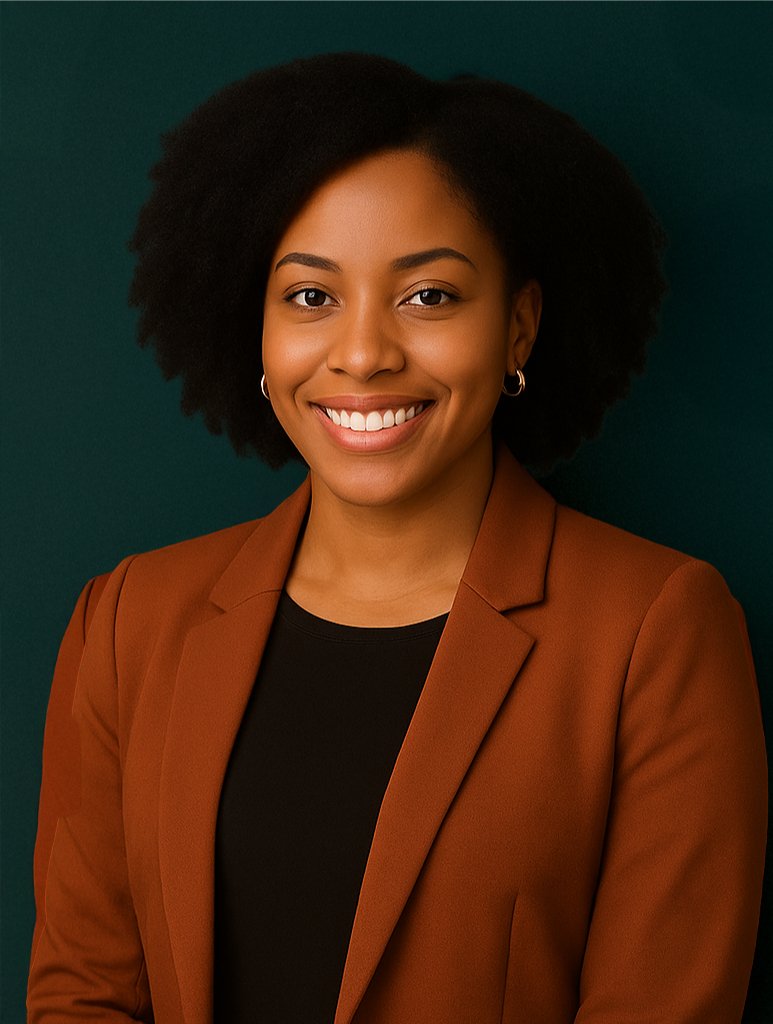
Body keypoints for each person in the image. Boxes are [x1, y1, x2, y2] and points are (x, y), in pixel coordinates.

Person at [27, 52, 767, 1024]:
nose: (365, 351)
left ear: (518, 327)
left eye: (428, 296)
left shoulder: (655, 631)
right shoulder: (128, 620)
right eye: (309, 296)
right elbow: (84, 992)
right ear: (249, 328)